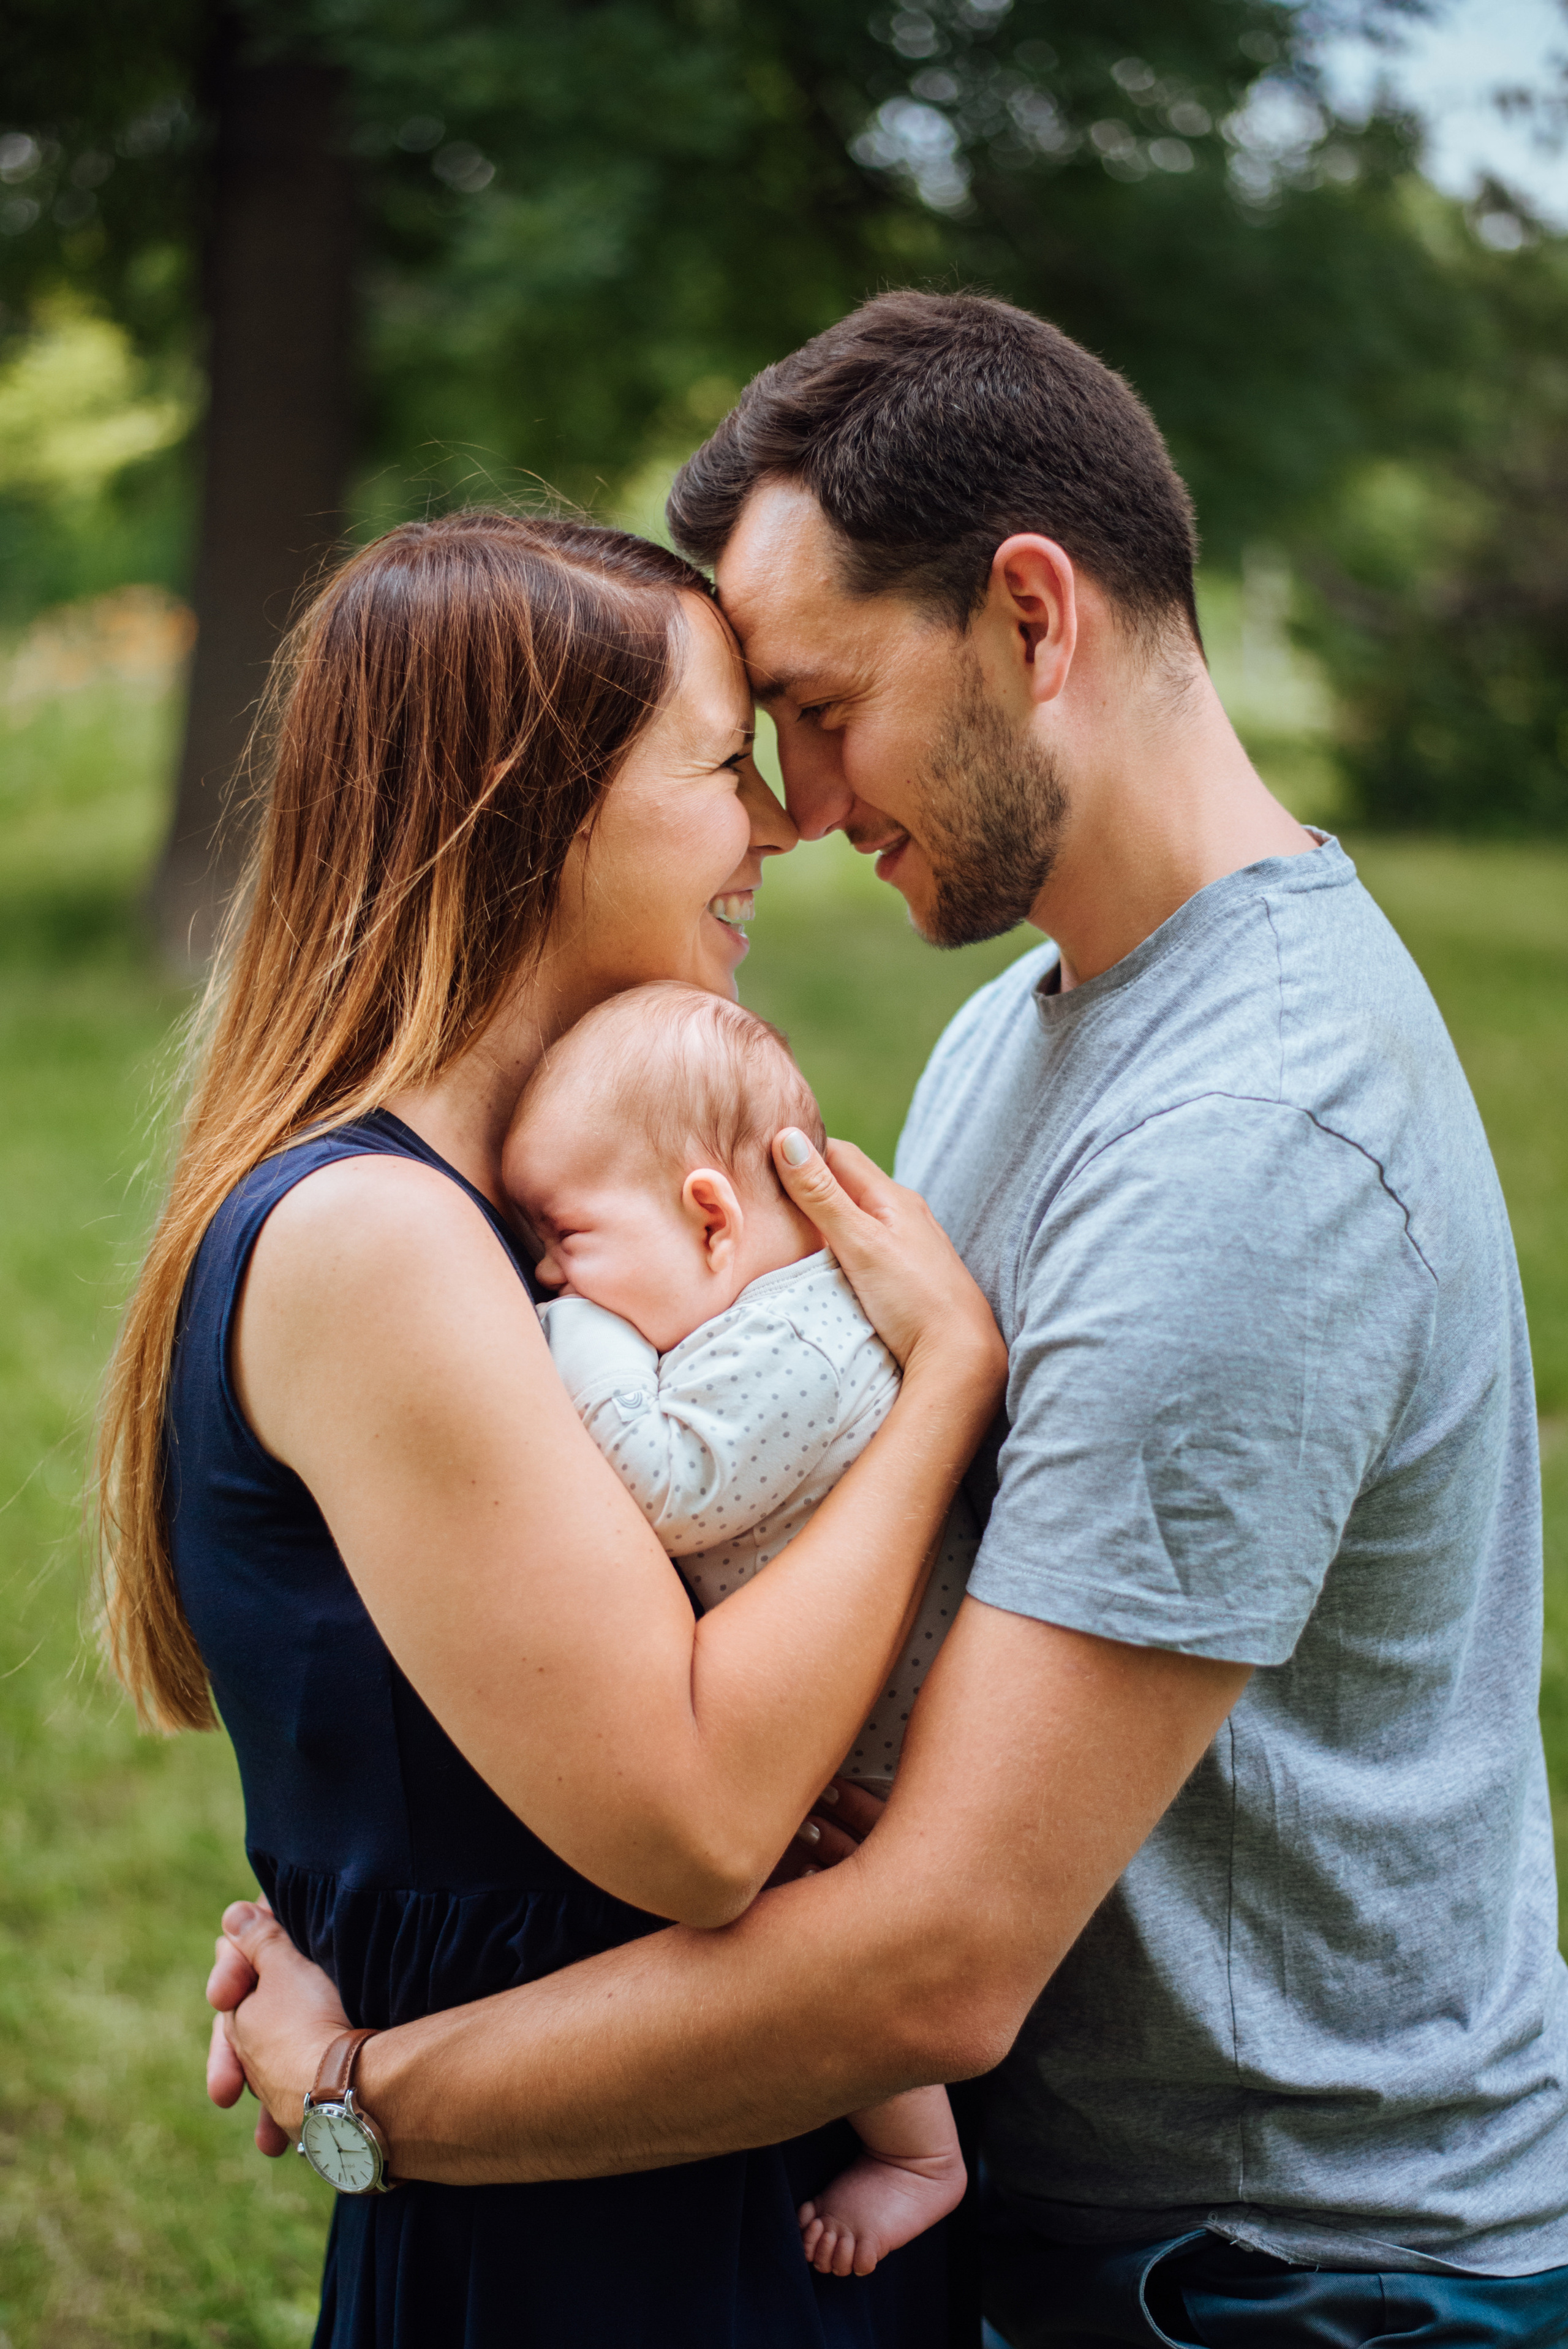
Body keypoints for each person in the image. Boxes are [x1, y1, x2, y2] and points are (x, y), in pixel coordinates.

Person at [208, 295, 1568, 2349]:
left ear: (1032, 617)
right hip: (1075, 2226)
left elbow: (938, 1962)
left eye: (824, 707)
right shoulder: (1015, 1035)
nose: (803, 801)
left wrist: (366, 2086)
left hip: (1283, 2274)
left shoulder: (1256, 1145)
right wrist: (381, 1872)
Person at [97, 509, 1006, 2346]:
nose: (778, 823)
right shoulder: (376, 1237)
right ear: (536, 809)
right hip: (609, 2246)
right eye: (721, 764)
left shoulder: (486, 1218)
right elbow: (698, 1824)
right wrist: (945, 1390)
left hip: (689, 2130)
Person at [507, 979, 975, 2275]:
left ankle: (921, 2159)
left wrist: (559, 1328)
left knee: (832, 1942)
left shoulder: (806, 1343)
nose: (548, 1272)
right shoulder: (754, 1328)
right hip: (843, 1746)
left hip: (894, 1777)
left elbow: (663, 1484)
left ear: (711, 1219)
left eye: (566, 1237)